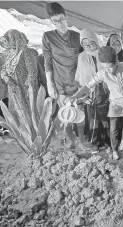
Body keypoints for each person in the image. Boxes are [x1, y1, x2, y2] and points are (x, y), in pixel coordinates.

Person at [66, 46, 123, 160]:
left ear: (117, 62)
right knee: (113, 129)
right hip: (115, 105)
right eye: (105, 67)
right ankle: (115, 150)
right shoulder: (102, 73)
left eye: (110, 67)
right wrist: (74, 96)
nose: (109, 70)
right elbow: (88, 85)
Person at [42, 2, 84, 149]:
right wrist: (50, 84)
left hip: (77, 81)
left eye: (61, 19)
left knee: (80, 113)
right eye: (55, 21)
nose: (59, 23)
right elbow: (47, 61)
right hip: (61, 83)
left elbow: (84, 60)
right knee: (65, 114)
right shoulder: (48, 37)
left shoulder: (77, 36)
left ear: (66, 17)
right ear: (51, 21)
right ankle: (70, 140)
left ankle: (82, 141)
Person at [74, 28, 111, 150]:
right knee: (92, 118)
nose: (89, 46)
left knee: (106, 116)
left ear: (96, 40)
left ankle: (108, 141)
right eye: (85, 45)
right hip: (89, 92)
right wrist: (83, 95)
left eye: (91, 43)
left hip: (105, 91)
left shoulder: (104, 52)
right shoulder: (81, 57)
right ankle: (95, 142)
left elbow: (111, 70)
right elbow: (80, 77)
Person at [0, 30, 39, 130]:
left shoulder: (27, 51)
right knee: (16, 113)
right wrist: (4, 77)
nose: (5, 42)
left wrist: (29, 89)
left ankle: (34, 138)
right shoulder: (7, 54)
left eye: (7, 39)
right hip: (13, 89)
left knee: (29, 113)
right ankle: (22, 137)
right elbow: (3, 70)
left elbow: (32, 72)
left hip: (26, 89)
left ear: (14, 38)